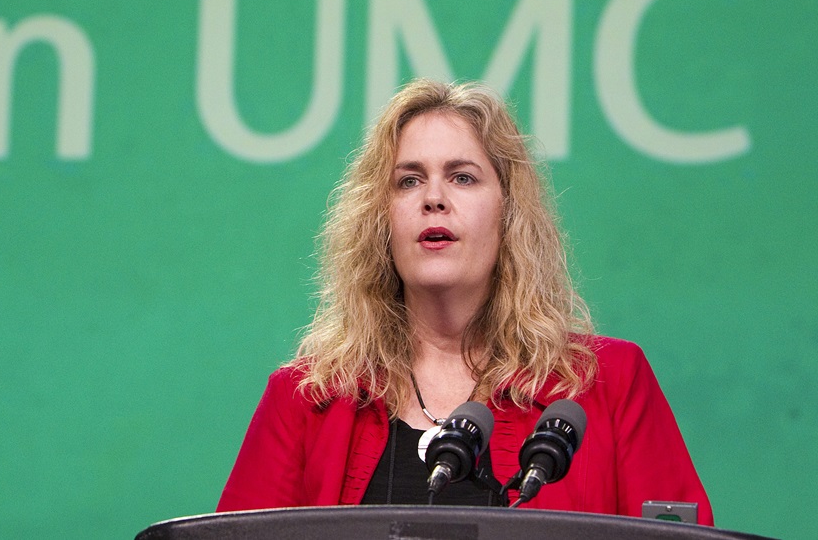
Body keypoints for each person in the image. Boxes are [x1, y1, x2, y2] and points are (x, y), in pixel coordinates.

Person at [216, 79, 712, 523]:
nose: (433, 198)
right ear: (381, 221)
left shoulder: (608, 383)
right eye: (409, 180)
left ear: (508, 215)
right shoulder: (304, 401)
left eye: (462, 177)